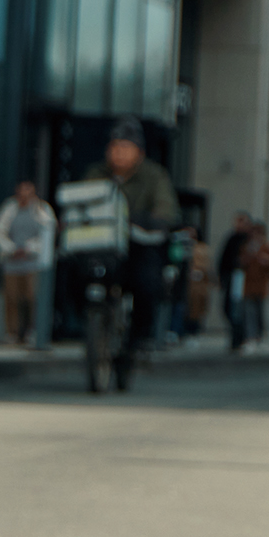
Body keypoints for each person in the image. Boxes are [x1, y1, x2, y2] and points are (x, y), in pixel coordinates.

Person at [85, 119, 180, 373]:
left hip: (139, 245)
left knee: (148, 284)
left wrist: (149, 221)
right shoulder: (97, 174)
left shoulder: (154, 176)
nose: (119, 153)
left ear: (139, 152)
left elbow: (166, 210)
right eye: (114, 146)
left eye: (126, 147)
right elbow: (82, 201)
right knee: (76, 273)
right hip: (103, 246)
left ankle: (136, 340)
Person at [0, 180, 55, 346]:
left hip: (32, 262)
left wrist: (28, 248)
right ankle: (12, 333)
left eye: (28, 191)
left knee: (31, 297)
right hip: (12, 261)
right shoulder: (9, 208)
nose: (24, 194)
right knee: (12, 298)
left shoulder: (42, 209)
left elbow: (48, 232)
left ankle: (32, 331)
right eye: (21, 190)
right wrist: (11, 249)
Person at [237, 220, 269, 348]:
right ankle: (251, 337)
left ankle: (260, 337)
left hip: (262, 286)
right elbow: (241, 262)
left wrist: (268, 262)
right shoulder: (247, 247)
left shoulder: (268, 248)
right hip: (248, 286)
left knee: (260, 313)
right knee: (249, 313)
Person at [216, 210, 253, 351]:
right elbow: (223, 258)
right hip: (231, 277)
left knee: (238, 309)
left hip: (241, 278)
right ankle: (235, 336)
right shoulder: (232, 238)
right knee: (228, 308)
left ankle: (239, 337)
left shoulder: (248, 241)